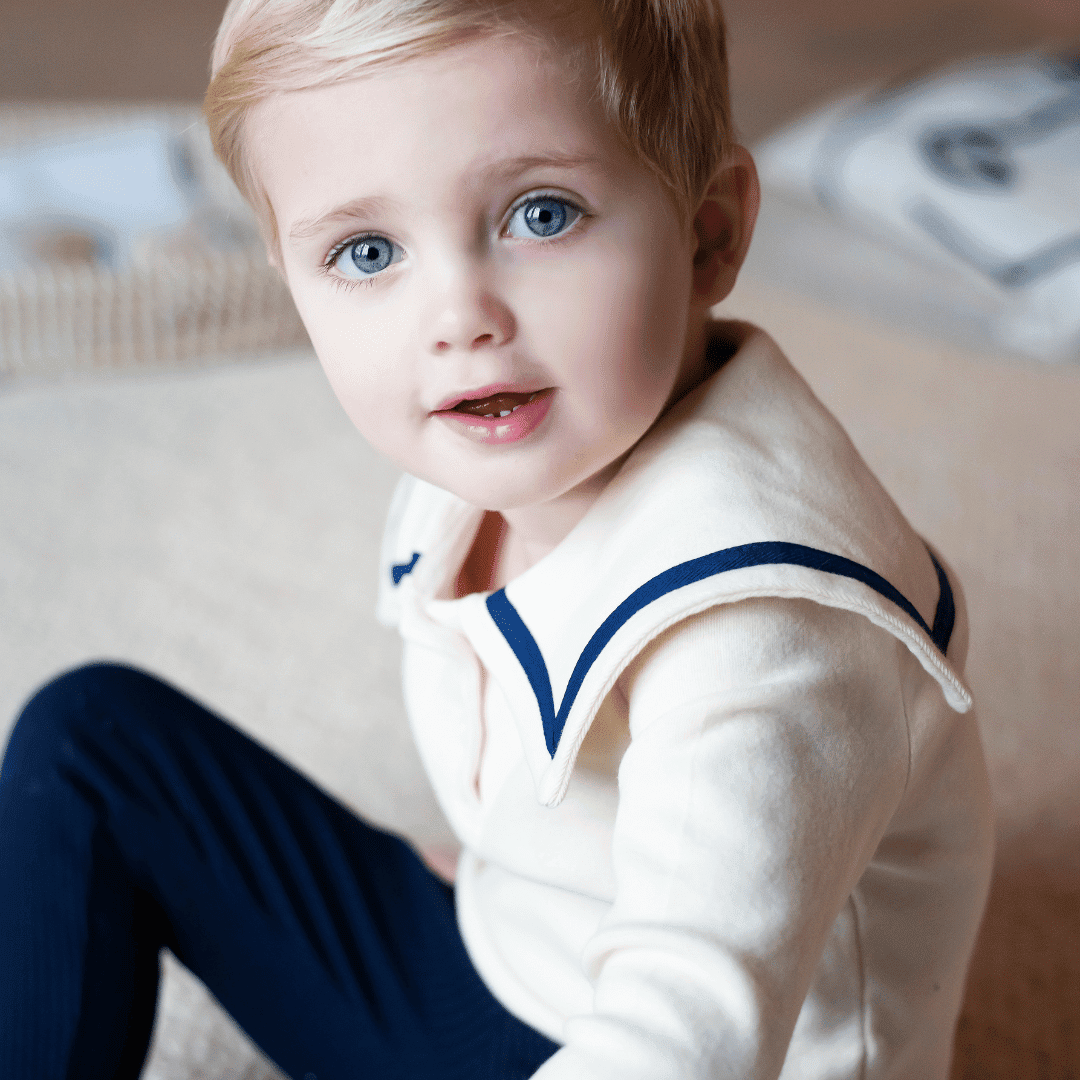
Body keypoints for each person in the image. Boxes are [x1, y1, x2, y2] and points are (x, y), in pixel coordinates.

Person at [0, 1, 996, 1078]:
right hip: (526, 969)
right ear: (292, 283)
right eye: (368, 250)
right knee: (90, 743)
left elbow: (686, 1043)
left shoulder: (767, 628)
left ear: (709, 232)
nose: (457, 312)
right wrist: (514, 869)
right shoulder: (485, 439)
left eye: (542, 215)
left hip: (675, 1052)